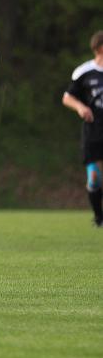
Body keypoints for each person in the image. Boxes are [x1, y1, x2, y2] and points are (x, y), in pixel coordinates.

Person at [62, 30, 103, 227]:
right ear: (100, 48)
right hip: (94, 131)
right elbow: (67, 97)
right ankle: (98, 217)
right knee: (94, 178)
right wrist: (81, 107)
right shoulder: (84, 72)